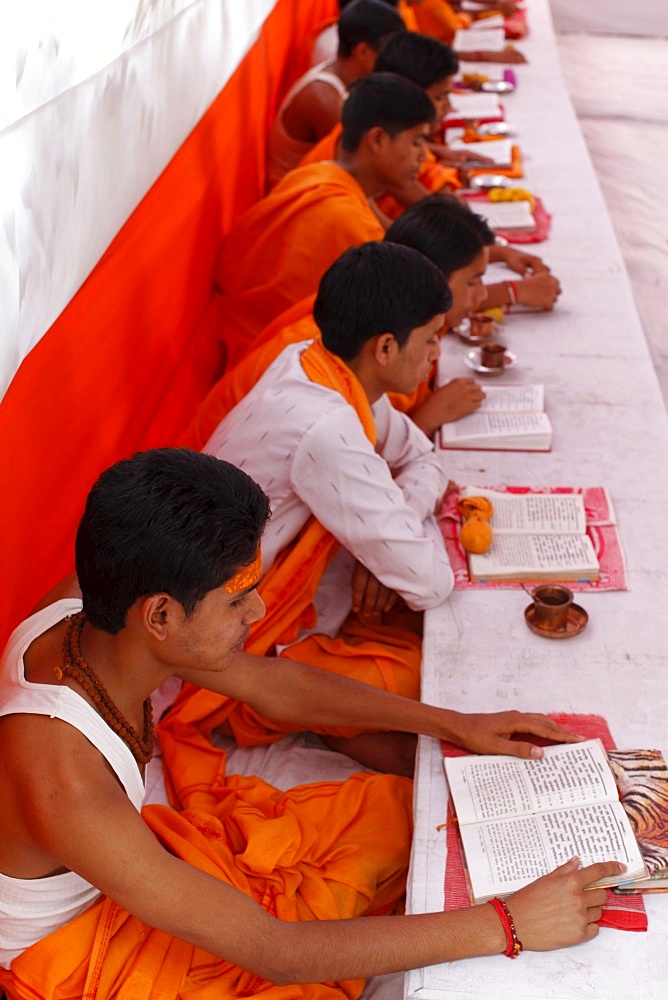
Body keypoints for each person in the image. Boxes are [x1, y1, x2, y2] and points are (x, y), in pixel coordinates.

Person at [0, 447, 624, 998]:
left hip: (121, 863)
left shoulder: (99, 603)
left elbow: (275, 686)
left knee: (395, 816)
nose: (261, 608)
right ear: (161, 615)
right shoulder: (67, 783)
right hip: (74, 959)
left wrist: (455, 724)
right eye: (238, 596)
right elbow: (275, 954)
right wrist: (511, 925)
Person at [214, 73, 435, 368]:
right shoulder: (349, 222)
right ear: (378, 139)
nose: (424, 156)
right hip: (271, 360)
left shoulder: (320, 173)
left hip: (240, 330)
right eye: (417, 142)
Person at [267, 0, 405, 189]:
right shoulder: (324, 99)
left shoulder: (346, 77)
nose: (393, 61)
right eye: (388, 52)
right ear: (363, 52)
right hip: (300, 198)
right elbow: (365, 167)